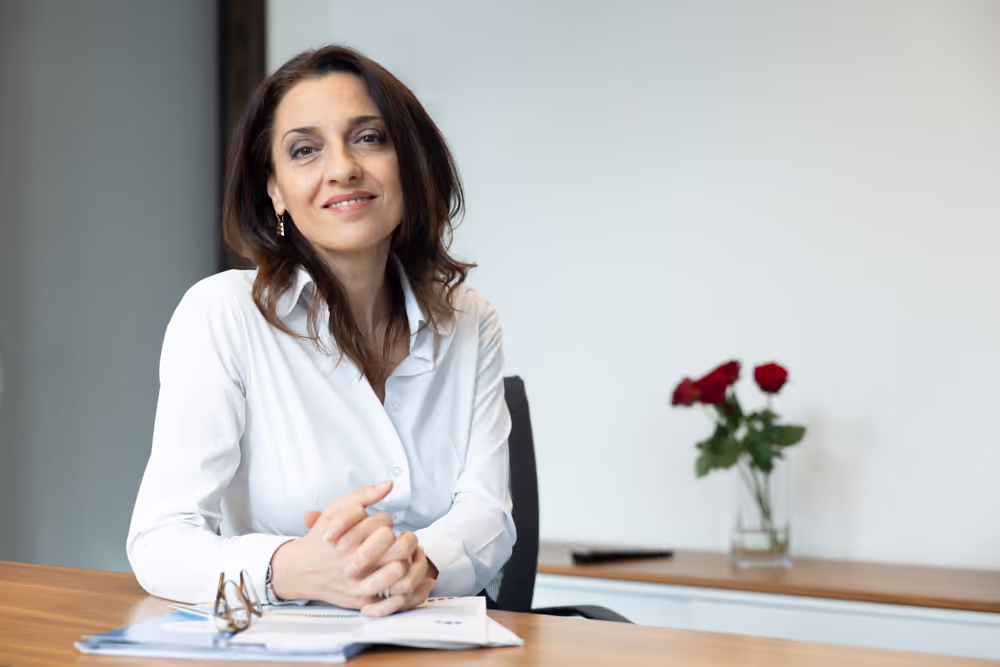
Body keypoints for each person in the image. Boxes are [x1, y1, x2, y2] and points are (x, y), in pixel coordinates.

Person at [126, 45, 515, 617]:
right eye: (305, 150)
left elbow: (489, 514)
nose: (342, 168)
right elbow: (159, 540)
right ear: (275, 190)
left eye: (369, 138)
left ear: (409, 163)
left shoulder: (469, 320)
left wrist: (419, 563)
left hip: (435, 641)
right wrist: (291, 567)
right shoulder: (221, 313)